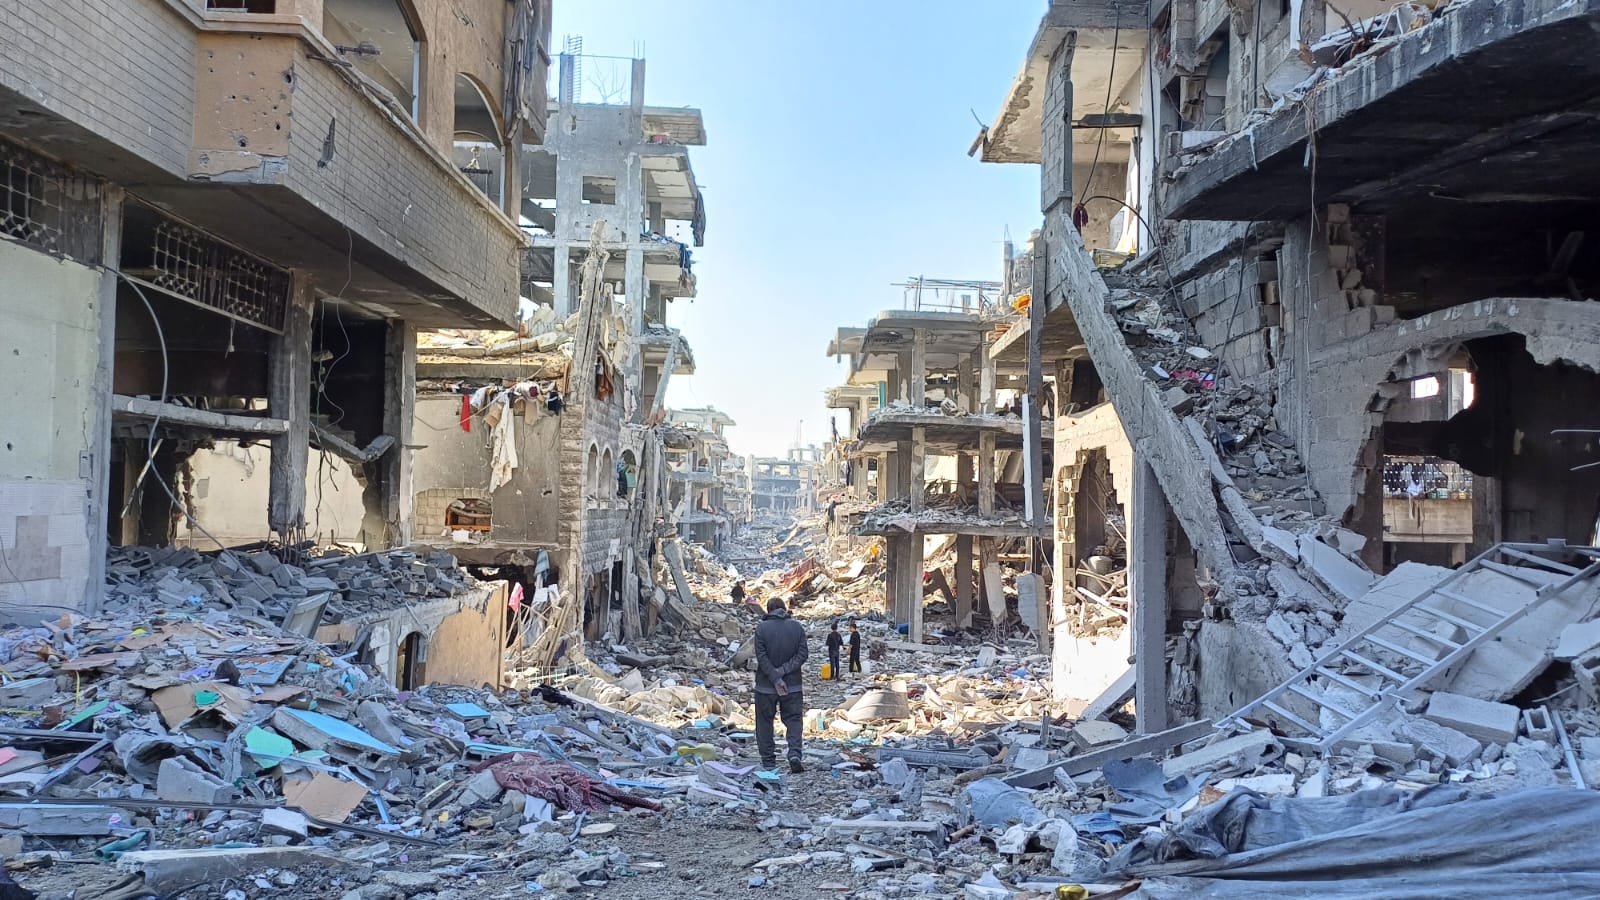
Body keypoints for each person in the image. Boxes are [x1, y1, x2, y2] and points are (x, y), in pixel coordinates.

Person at [753, 596, 809, 773]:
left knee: (764, 723)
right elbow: (802, 655)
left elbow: (761, 657)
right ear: (784, 610)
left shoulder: (761, 629)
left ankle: (769, 761)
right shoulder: (797, 628)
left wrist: (775, 677)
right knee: (793, 721)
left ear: (768, 610)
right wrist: (784, 671)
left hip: (765, 687)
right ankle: (794, 754)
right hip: (792, 686)